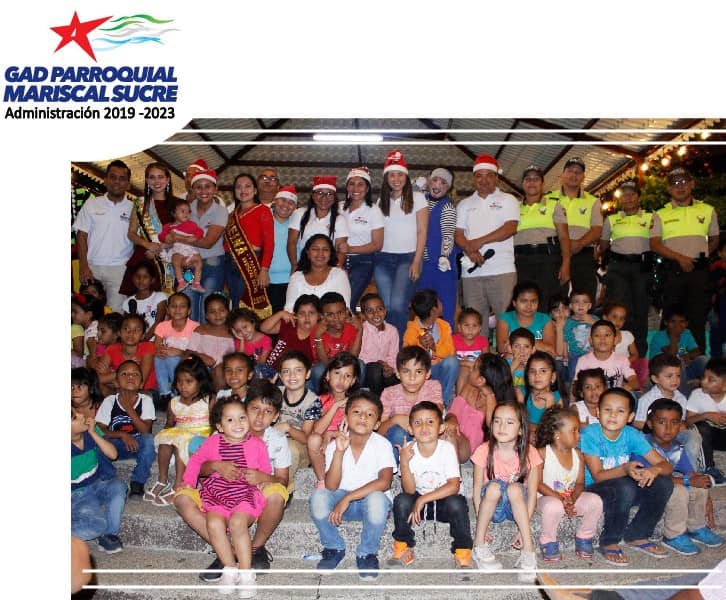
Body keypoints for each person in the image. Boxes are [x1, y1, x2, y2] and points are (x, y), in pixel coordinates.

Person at [180, 395, 270, 598]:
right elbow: (196, 461)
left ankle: (246, 574)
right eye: (230, 420)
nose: (238, 424)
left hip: (245, 493)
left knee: (238, 523)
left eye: (242, 418)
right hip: (217, 493)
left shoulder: (257, 444)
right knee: (213, 523)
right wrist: (188, 482)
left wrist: (262, 480)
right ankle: (230, 569)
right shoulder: (213, 442)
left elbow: (265, 470)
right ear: (220, 426)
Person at [580, 387, 674, 566]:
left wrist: (653, 470)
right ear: (598, 412)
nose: (613, 415)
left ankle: (638, 535)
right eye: (607, 409)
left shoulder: (632, 435)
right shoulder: (589, 434)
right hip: (594, 490)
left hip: (623, 489)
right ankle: (609, 541)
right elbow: (598, 476)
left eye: (620, 411)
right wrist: (625, 469)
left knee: (664, 484)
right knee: (626, 486)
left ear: (630, 417)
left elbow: (666, 466)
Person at [309, 390, 396, 579]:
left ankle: (367, 553)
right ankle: (334, 547)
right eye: (357, 412)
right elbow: (331, 486)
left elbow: (385, 482)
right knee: (318, 496)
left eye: (370, 414)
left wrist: (348, 498)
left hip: (368, 505)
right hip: (340, 505)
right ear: (346, 417)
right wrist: (339, 452)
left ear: (377, 424)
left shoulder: (382, 445)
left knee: (377, 499)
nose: (363, 416)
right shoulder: (335, 444)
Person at [390, 401, 473, 569]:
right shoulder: (408, 451)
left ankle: (462, 552)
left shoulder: (447, 449)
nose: (424, 427)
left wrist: (423, 500)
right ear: (410, 429)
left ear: (441, 428)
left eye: (430, 422)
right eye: (418, 422)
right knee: (401, 500)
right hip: (418, 506)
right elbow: (409, 490)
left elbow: (454, 486)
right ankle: (404, 546)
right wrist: (404, 462)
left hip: (444, 502)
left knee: (457, 503)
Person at [650, 167, 719, 351]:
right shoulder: (660, 214)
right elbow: (654, 244)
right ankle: (666, 361)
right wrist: (680, 258)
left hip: (699, 273)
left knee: (697, 319)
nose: (680, 187)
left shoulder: (708, 210)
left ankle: (697, 362)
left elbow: (714, 239)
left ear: (692, 184)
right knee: (670, 319)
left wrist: (699, 257)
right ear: (668, 189)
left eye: (683, 182)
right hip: (672, 272)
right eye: (674, 184)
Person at [644, 398, 724, 556]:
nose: (668, 428)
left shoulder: (677, 447)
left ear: (680, 425)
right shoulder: (643, 445)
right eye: (661, 422)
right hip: (645, 487)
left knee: (699, 487)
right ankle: (673, 535)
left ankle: (696, 527)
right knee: (679, 491)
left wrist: (704, 491)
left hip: (665, 483)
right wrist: (687, 481)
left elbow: (691, 474)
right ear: (650, 424)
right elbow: (651, 478)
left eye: (674, 422)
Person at [471, 402, 541, 581]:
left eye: (509, 422)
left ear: (521, 429)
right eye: (497, 421)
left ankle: (528, 550)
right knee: (494, 486)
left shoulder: (531, 453)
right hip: (492, 506)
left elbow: (532, 494)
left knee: (515, 487)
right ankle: (479, 545)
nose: (501, 426)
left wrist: (524, 526)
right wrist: (481, 521)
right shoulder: (483, 450)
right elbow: (477, 489)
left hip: (516, 507)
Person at [455, 153, 519, 340]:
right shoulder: (464, 204)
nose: (484, 180)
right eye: (479, 175)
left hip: (502, 270)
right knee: (474, 325)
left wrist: (479, 242)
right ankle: (480, 357)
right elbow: (458, 234)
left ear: (496, 177)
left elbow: (510, 228)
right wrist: (470, 250)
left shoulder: (508, 199)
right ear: (473, 178)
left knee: (505, 321)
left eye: (489, 175)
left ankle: (506, 357)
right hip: (471, 274)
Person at [534, 407, 603, 562]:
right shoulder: (542, 453)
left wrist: (572, 498)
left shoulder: (578, 455)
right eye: (574, 431)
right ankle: (548, 540)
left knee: (595, 501)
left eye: (578, 430)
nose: (579, 435)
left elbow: (580, 483)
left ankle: (585, 536)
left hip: (569, 499)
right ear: (557, 434)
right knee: (554, 506)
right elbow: (538, 484)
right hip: (545, 499)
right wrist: (561, 499)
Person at [373, 149, 429, 338]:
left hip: (407, 258)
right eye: (392, 175)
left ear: (406, 176)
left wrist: (416, 261)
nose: (396, 179)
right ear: (386, 178)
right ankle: (389, 347)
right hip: (383, 259)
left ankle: (401, 348)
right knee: (387, 307)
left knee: (398, 305)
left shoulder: (418, 198)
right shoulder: (381, 201)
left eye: (400, 174)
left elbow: (422, 231)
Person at [147, 356, 215, 505]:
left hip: (201, 439)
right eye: (179, 381)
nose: (183, 386)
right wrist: (166, 438)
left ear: (200, 381)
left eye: (189, 381)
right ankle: (162, 479)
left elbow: (214, 426)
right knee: (166, 439)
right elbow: (169, 424)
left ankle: (179, 485)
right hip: (180, 435)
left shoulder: (208, 400)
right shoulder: (174, 402)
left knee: (181, 442)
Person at [599, 180, 653, 356]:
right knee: (617, 310)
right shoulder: (611, 219)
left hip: (642, 267)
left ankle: (639, 355)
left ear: (638, 197)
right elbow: (603, 245)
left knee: (640, 311)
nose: (628, 198)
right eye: (624, 195)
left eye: (632, 194)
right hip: (618, 267)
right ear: (619, 199)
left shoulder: (651, 217)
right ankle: (613, 352)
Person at [243, 380, 292, 573]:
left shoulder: (278, 439)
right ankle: (226, 551)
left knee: (277, 495)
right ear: (245, 408)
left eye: (268, 411)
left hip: (264, 487)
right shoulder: (230, 430)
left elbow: (282, 479)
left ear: (275, 417)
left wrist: (262, 477)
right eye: (255, 408)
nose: (260, 416)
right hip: (235, 488)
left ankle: (255, 548)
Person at [73, 160, 134, 311]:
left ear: (128, 184)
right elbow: (81, 235)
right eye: (113, 177)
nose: (117, 182)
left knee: (116, 314)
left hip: (120, 270)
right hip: (92, 268)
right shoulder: (91, 204)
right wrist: (83, 266)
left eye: (122, 178)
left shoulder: (134, 208)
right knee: (89, 313)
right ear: (105, 180)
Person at [170, 168, 227, 323]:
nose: (203, 191)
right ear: (192, 189)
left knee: (208, 308)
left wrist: (180, 238)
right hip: (187, 262)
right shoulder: (186, 208)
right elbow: (171, 233)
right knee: (188, 306)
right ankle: (189, 339)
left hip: (212, 263)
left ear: (215, 188)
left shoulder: (221, 211)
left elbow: (208, 243)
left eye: (208, 186)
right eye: (198, 187)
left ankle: (204, 339)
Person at [544, 157, 603, 303]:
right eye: (570, 171)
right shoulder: (547, 198)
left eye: (578, 172)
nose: (574, 175)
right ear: (562, 174)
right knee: (555, 300)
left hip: (583, 256)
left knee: (584, 300)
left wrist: (580, 243)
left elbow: (597, 230)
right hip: (555, 255)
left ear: (583, 177)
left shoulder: (593, 201)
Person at [71, 406, 128, 553]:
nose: (81, 415)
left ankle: (109, 536)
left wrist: (93, 433)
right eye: (75, 417)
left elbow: (113, 454)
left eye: (77, 412)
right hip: (78, 494)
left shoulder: (91, 431)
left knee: (119, 486)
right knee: (96, 526)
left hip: (98, 483)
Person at [95, 360, 156, 497]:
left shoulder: (145, 400)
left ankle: (138, 481)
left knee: (149, 440)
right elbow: (100, 429)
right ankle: (108, 478)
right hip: (116, 446)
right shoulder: (110, 401)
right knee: (98, 442)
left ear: (141, 384)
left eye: (135, 374)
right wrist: (122, 435)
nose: (130, 377)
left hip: (138, 445)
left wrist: (129, 409)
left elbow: (146, 431)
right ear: (116, 382)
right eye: (125, 374)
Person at [515, 165, 571, 311]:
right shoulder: (514, 207)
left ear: (542, 183)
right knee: (524, 302)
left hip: (548, 261)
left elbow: (564, 237)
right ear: (522, 183)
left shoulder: (554, 204)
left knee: (546, 302)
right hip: (521, 262)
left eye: (536, 179)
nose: (531, 182)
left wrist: (566, 264)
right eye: (528, 179)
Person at [379, 346, 444, 461]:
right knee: (397, 432)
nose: (412, 378)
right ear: (398, 374)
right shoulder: (389, 393)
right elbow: (379, 432)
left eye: (418, 372)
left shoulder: (433, 386)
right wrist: (395, 419)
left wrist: (411, 421)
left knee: (446, 432)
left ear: (428, 374)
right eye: (406, 371)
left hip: (427, 439)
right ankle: (397, 465)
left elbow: (437, 413)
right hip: (403, 442)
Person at [306, 352, 361, 488]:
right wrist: (335, 406)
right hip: (323, 450)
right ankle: (322, 480)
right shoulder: (319, 401)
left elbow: (357, 431)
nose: (341, 379)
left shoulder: (357, 403)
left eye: (347, 376)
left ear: (353, 381)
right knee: (313, 439)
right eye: (337, 373)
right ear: (327, 375)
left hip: (346, 446)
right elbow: (317, 431)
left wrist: (331, 434)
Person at [224, 172, 274, 319]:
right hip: (229, 263)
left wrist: (264, 270)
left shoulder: (263, 210)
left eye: (247, 186)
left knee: (245, 308)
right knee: (234, 305)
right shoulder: (231, 215)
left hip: (250, 262)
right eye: (238, 187)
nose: (243, 190)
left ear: (255, 190)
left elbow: (269, 243)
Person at [447, 353, 517, 455]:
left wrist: (489, 396)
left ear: (480, 380)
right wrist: (452, 419)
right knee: (446, 431)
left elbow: (493, 426)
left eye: (474, 368)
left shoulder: (496, 402)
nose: (470, 369)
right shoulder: (468, 387)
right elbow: (452, 412)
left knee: (449, 436)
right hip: (455, 434)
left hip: (471, 446)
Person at [403, 288, 460, 407]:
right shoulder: (412, 329)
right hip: (422, 372)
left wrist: (435, 347)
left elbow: (451, 352)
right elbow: (406, 357)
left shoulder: (444, 326)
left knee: (452, 362)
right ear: (434, 310)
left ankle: (442, 403)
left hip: (439, 369)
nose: (442, 303)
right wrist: (420, 346)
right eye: (439, 302)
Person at [338, 166, 384, 312]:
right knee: (335, 301)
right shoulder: (338, 208)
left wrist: (350, 249)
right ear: (347, 187)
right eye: (352, 184)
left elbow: (377, 244)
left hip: (363, 262)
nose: (355, 188)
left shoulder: (374, 210)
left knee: (347, 302)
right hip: (338, 260)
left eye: (360, 184)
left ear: (367, 188)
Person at [275, 350, 322, 491]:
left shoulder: (313, 401)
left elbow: (306, 438)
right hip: (273, 439)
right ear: (280, 376)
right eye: (286, 371)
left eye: (298, 370)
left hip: (298, 446)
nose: (292, 375)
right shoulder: (275, 393)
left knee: (289, 448)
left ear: (307, 374)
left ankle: (282, 488)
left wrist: (289, 428)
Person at [417, 167, 459, 326]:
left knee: (447, 307)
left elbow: (448, 235)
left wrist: (444, 256)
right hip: (423, 265)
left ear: (449, 187)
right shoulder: (421, 200)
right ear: (429, 181)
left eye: (443, 182)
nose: (437, 185)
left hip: (442, 265)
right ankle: (420, 338)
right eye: (435, 180)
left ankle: (448, 338)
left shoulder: (448, 207)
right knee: (422, 308)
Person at [287, 175, 348, 271]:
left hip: (328, 268)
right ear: (313, 196)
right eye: (320, 193)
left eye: (329, 194)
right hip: (303, 267)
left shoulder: (340, 220)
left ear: (334, 197)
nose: (324, 198)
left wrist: (334, 271)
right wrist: (294, 266)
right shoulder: (300, 214)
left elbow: (341, 250)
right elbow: (292, 242)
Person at [309, 291, 363, 392]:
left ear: (347, 311)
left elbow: (353, 357)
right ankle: (323, 398)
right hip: (326, 369)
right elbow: (323, 362)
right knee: (318, 370)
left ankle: (352, 396)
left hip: (346, 367)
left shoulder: (351, 328)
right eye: (330, 315)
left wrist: (360, 330)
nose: (337, 318)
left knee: (360, 365)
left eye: (340, 313)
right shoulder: (317, 331)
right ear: (322, 316)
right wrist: (318, 337)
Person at [649, 305, 709, 396]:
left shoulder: (686, 333)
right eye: (673, 321)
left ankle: (711, 389)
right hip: (664, 373)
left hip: (684, 370)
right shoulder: (659, 337)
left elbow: (696, 352)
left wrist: (686, 355)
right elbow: (671, 357)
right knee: (677, 361)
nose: (677, 325)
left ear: (687, 323)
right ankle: (684, 396)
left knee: (703, 360)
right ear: (666, 322)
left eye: (681, 322)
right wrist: (674, 337)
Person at [284, 234, 351, 312]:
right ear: (307, 253)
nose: (320, 253)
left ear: (330, 253)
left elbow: (345, 308)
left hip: (333, 319)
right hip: (301, 319)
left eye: (325, 249)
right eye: (315, 249)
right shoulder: (296, 277)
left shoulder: (339, 275)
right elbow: (289, 309)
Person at [154, 292, 199, 406]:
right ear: (168, 310)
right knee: (159, 357)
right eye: (173, 306)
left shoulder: (195, 327)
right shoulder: (162, 326)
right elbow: (157, 346)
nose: (177, 309)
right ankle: (165, 393)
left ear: (189, 311)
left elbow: (197, 352)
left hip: (189, 360)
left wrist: (179, 352)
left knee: (171, 359)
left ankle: (177, 391)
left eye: (182, 306)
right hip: (168, 358)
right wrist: (161, 351)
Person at [95, 313, 157, 396]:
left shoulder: (148, 347)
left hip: (145, 392)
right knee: (98, 387)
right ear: (119, 332)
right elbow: (97, 379)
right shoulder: (111, 349)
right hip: (119, 391)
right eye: (126, 329)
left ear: (142, 336)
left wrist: (114, 378)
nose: (130, 333)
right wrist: (117, 375)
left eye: (136, 330)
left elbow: (139, 383)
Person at [686, 357, 726, 485]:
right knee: (701, 426)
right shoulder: (697, 394)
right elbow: (688, 422)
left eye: (711, 380)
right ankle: (709, 468)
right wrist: (706, 415)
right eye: (703, 377)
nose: (703, 381)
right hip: (707, 440)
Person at [185, 293, 235, 391]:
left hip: (224, 372)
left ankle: (218, 398)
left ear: (228, 312)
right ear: (206, 316)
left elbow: (238, 354)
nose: (218, 315)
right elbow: (188, 352)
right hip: (202, 369)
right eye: (212, 312)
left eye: (221, 310)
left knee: (219, 371)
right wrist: (202, 356)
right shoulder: (201, 330)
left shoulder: (233, 332)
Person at [574, 320, 639, 392]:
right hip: (593, 397)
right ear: (591, 340)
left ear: (615, 340)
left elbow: (634, 380)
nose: (602, 339)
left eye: (607, 335)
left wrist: (629, 386)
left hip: (615, 397)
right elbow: (575, 384)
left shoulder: (622, 360)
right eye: (597, 335)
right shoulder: (583, 361)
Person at [496, 280, 556, 356]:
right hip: (513, 358)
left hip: (536, 359)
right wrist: (539, 345)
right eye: (524, 301)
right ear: (514, 303)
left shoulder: (545, 319)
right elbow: (501, 347)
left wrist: (517, 343)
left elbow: (551, 350)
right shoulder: (505, 318)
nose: (529, 306)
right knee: (508, 356)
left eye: (533, 301)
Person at [158, 198, 206, 292]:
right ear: (173, 213)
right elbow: (161, 235)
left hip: (190, 249)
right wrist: (166, 237)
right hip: (177, 250)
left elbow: (200, 231)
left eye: (188, 211)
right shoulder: (168, 226)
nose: (186, 214)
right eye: (182, 211)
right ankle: (181, 281)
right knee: (175, 259)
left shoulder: (191, 224)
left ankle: (196, 283)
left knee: (199, 261)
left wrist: (195, 237)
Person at [263, 294, 319, 371]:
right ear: (295, 315)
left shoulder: (319, 336)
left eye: (311, 313)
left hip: (294, 375)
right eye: (302, 313)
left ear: (319, 315)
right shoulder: (289, 324)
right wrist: (281, 314)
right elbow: (264, 328)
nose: (307, 317)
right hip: (269, 369)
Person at [602, 301, 649, 391]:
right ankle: (615, 385)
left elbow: (635, 354)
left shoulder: (627, 335)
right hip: (609, 366)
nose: (618, 321)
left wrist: (624, 362)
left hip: (627, 365)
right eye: (614, 317)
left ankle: (635, 386)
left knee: (643, 362)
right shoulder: (601, 337)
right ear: (605, 318)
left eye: (622, 318)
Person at [358, 293, 399, 395]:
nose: (376, 314)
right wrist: (380, 363)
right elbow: (360, 356)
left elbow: (393, 356)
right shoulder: (362, 330)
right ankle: (376, 400)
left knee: (399, 374)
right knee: (375, 369)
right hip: (369, 373)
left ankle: (392, 400)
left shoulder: (392, 330)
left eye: (379, 309)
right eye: (370, 311)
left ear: (385, 311)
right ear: (363, 315)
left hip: (386, 371)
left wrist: (390, 368)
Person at [268, 185, 297, 312]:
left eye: (291, 202)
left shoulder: (298, 224)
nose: (286, 205)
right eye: (283, 200)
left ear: (295, 207)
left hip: (291, 281)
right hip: (265, 280)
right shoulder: (264, 220)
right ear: (275, 201)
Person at [121, 261, 168, 340]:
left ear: (152, 280)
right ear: (133, 278)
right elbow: (126, 325)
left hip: (156, 340)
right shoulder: (128, 301)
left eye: (145, 277)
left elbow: (159, 322)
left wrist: (145, 339)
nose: (140, 280)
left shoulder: (159, 297)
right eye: (137, 276)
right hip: (135, 341)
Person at [523, 351, 563, 435]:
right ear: (527, 375)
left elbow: (552, 431)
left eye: (543, 371)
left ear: (553, 376)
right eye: (532, 371)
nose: (537, 375)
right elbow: (520, 424)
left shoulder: (558, 397)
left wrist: (550, 401)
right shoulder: (521, 393)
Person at [452, 307, 490, 395]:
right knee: (464, 369)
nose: (470, 329)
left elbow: (487, 361)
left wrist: (475, 365)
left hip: (477, 370)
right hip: (459, 371)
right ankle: (459, 398)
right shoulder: (454, 340)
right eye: (466, 325)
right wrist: (466, 363)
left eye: (474, 326)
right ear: (459, 327)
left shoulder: (483, 341)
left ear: (480, 328)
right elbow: (452, 360)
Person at [561, 290, 596, 382]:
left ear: (589, 306)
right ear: (571, 306)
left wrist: (593, 323)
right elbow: (565, 339)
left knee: (593, 376)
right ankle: (574, 389)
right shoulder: (568, 322)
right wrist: (565, 355)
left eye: (584, 302)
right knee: (574, 376)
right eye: (576, 302)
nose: (581, 305)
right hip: (575, 355)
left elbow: (602, 330)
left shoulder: (595, 319)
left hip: (593, 354)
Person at [228, 307, 273, 378]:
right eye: (238, 331)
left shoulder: (266, 339)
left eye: (245, 327)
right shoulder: (239, 342)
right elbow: (239, 360)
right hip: (246, 373)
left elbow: (262, 362)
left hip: (262, 371)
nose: (243, 332)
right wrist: (242, 340)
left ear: (253, 322)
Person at [71, 292, 106, 368]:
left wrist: (93, 360)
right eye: (71, 311)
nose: (71, 314)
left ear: (89, 315)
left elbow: (92, 342)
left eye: (75, 312)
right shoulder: (89, 327)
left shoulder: (94, 327)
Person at [508, 327, 536, 401]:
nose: (522, 350)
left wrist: (529, 368)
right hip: (510, 399)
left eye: (526, 346)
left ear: (533, 350)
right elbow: (503, 386)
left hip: (530, 399)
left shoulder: (535, 365)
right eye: (517, 346)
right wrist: (512, 367)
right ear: (510, 349)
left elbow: (535, 386)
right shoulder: (505, 364)